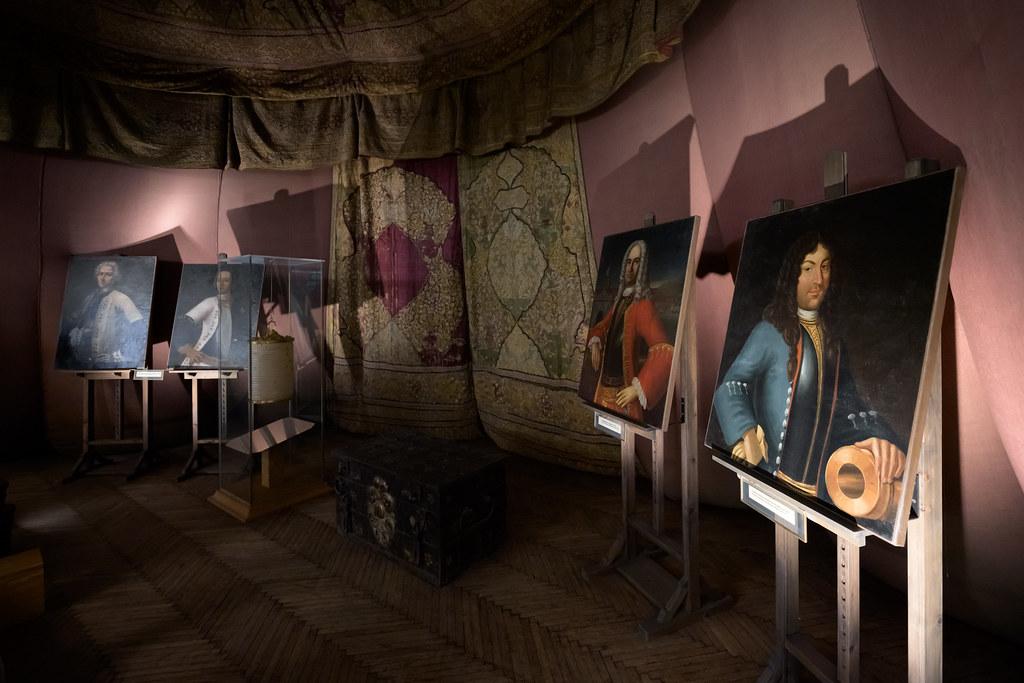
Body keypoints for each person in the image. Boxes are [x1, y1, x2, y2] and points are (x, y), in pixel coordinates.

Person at [713, 232, 906, 503]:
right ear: (793, 275)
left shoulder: (833, 343)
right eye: (808, 268)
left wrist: (880, 439)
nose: (818, 280)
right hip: (773, 477)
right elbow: (731, 385)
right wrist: (747, 433)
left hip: (822, 490)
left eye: (825, 267)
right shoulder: (769, 332)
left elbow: (851, 407)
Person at [587, 240, 673, 423]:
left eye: (636, 262)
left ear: (643, 267)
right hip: (603, 390)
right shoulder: (621, 300)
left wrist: (638, 388)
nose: (631, 267)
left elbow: (664, 349)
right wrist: (595, 340)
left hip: (623, 393)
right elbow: (603, 326)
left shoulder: (643, 305)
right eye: (628, 262)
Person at [64, 260, 144, 367]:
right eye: (100, 274)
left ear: (115, 278)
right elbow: (80, 320)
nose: (103, 278)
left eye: (108, 274)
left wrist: (118, 354)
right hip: (85, 355)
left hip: (107, 358)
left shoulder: (121, 298)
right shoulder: (90, 298)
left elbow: (138, 326)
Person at [176, 269, 244, 367]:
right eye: (218, 280)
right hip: (202, 362)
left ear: (233, 283)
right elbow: (182, 325)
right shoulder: (210, 302)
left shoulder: (237, 308)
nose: (221, 284)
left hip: (226, 364)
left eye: (226, 280)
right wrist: (189, 350)